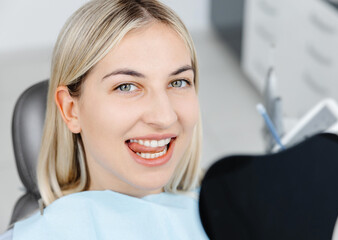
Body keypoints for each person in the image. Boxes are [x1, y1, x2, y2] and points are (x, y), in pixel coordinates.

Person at [0, 0, 208, 239]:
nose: (165, 116)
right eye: (127, 86)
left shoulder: (236, 211)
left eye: (178, 82)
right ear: (71, 110)